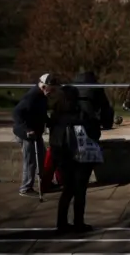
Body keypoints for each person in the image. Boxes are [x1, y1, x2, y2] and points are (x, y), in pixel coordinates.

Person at [48, 85, 101, 234]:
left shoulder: (55, 116)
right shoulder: (81, 115)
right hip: (79, 158)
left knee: (67, 190)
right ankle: (78, 222)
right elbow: (94, 133)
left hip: (62, 158)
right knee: (79, 192)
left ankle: (62, 223)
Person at [12, 73, 59, 197]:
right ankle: (25, 188)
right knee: (30, 161)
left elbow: (41, 114)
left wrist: (49, 122)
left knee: (41, 158)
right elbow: (16, 113)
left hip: (36, 132)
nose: (52, 92)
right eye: (51, 89)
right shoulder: (31, 97)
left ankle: (45, 183)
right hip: (27, 134)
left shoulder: (42, 96)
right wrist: (26, 130)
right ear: (44, 86)